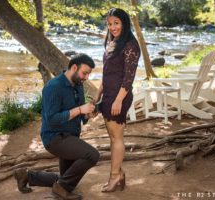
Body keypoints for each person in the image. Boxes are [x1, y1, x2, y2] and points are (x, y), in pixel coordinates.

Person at [14, 53, 100, 200]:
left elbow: (78, 112)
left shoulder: (78, 84)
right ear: (74, 67)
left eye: (88, 74)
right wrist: (80, 110)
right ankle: (60, 188)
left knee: (67, 179)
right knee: (92, 155)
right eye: (84, 73)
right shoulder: (53, 87)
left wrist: (87, 115)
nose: (86, 78)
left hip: (71, 137)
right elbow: (52, 120)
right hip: (55, 138)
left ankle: (26, 175)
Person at [94, 8, 141, 193]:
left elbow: (128, 78)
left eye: (116, 23)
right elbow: (107, 73)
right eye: (110, 24)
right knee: (113, 138)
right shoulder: (113, 42)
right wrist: (98, 94)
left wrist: (118, 101)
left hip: (119, 96)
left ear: (124, 23)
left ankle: (114, 177)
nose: (113, 27)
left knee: (117, 137)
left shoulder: (130, 45)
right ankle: (118, 173)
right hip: (108, 95)